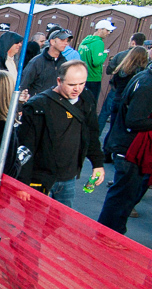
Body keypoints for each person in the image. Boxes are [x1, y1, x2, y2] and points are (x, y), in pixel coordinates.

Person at [17, 60, 105, 207]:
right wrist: (23, 182)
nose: (77, 89)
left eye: (82, 83)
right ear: (59, 80)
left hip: (68, 177)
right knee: (33, 224)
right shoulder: (38, 105)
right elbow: (26, 146)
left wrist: (98, 164)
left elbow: (91, 133)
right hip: (40, 178)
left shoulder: (87, 99)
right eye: (71, 85)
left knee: (59, 226)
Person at [97, 60, 152, 233]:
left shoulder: (143, 78)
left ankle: (112, 233)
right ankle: (109, 235)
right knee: (123, 196)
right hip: (129, 149)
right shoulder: (146, 84)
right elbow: (134, 120)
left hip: (128, 146)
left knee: (125, 195)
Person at [100, 33, 147, 133]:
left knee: (105, 113)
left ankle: (95, 137)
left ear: (133, 42)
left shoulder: (121, 56)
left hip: (116, 93)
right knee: (119, 127)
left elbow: (109, 71)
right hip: (127, 99)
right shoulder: (142, 69)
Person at [19, 28, 69, 97]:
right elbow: (23, 84)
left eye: (67, 41)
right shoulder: (37, 62)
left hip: (55, 103)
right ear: (52, 42)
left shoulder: (64, 63)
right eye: (62, 40)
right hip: (37, 104)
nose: (66, 43)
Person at [79, 19, 116, 102]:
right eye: (107, 30)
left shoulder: (85, 41)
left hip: (82, 77)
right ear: (100, 29)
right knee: (91, 103)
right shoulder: (99, 42)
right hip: (93, 78)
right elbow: (96, 62)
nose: (109, 33)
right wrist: (105, 54)